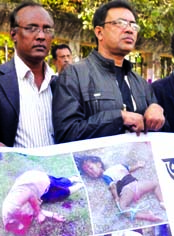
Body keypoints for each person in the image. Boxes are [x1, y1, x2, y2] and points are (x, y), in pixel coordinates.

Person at [52, 0, 164, 142]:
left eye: (133, 25)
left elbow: (160, 136)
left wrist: (157, 110)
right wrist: (119, 118)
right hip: (96, 163)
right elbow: (66, 133)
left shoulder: (140, 83)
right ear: (99, 32)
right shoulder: (74, 75)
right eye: (120, 23)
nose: (129, 30)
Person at [0, 1, 55, 148]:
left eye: (47, 29)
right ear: (13, 34)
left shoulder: (62, 83)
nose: (41, 36)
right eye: (32, 28)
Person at [75, 154, 163, 222]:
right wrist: (138, 165)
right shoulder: (118, 166)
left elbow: (113, 187)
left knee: (122, 208)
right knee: (155, 184)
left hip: (127, 189)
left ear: (99, 164)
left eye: (91, 168)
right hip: (137, 184)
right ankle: (162, 201)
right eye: (88, 173)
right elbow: (129, 168)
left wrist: (116, 198)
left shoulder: (105, 175)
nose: (90, 172)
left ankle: (148, 216)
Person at [2, 170, 84, 236]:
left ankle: (76, 182)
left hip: (37, 181)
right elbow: (30, 211)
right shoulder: (9, 220)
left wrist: (38, 213)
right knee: (56, 195)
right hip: (32, 186)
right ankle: (76, 183)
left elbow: (30, 195)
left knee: (62, 187)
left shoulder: (13, 206)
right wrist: (53, 215)